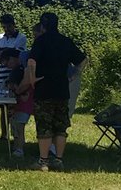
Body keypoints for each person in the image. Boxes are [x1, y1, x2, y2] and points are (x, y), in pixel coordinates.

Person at [23, 12, 88, 172]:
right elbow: (83, 60)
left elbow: (31, 61)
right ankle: (58, 159)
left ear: (43, 26)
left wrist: (32, 79)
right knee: (60, 127)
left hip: (44, 89)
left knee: (44, 126)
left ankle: (43, 161)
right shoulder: (66, 41)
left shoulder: (40, 41)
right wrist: (73, 75)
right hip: (62, 89)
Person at [0, 14, 27, 89]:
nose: (6, 29)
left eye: (9, 26)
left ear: (14, 24)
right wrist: (8, 51)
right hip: (1, 73)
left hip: (14, 74)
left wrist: (0, 51)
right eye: (4, 27)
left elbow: (16, 54)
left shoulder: (21, 37)